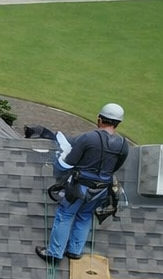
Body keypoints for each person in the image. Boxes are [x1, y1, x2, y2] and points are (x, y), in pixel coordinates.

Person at [34, 102, 129, 264]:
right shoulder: (122, 144)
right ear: (118, 123)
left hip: (79, 187)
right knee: (84, 216)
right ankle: (75, 251)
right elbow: (115, 167)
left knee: (65, 214)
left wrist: (58, 172)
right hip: (101, 190)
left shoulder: (88, 138)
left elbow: (67, 164)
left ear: (100, 119)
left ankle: (54, 253)